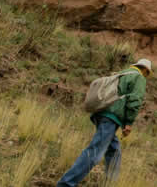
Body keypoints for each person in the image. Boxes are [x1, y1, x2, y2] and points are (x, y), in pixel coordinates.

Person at [57, 59, 151, 187]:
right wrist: (128, 123)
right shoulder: (139, 77)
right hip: (110, 117)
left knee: (114, 150)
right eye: (147, 73)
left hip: (101, 113)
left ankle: (109, 183)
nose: (146, 76)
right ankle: (66, 184)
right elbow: (135, 100)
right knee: (95, 152)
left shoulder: (122, 73)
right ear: (145, 70)